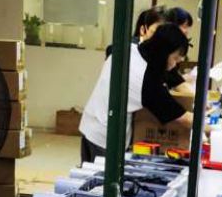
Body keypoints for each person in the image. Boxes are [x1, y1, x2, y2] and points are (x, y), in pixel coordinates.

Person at [79, 21, 192, 163]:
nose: (175, 64)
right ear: (164, 53)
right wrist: (213, 129)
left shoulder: (129, 48)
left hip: (89, 123)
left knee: (87, 172)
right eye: (175, 58)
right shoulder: (146, 81)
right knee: (101, 175)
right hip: (106, 139)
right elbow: (183, 118)